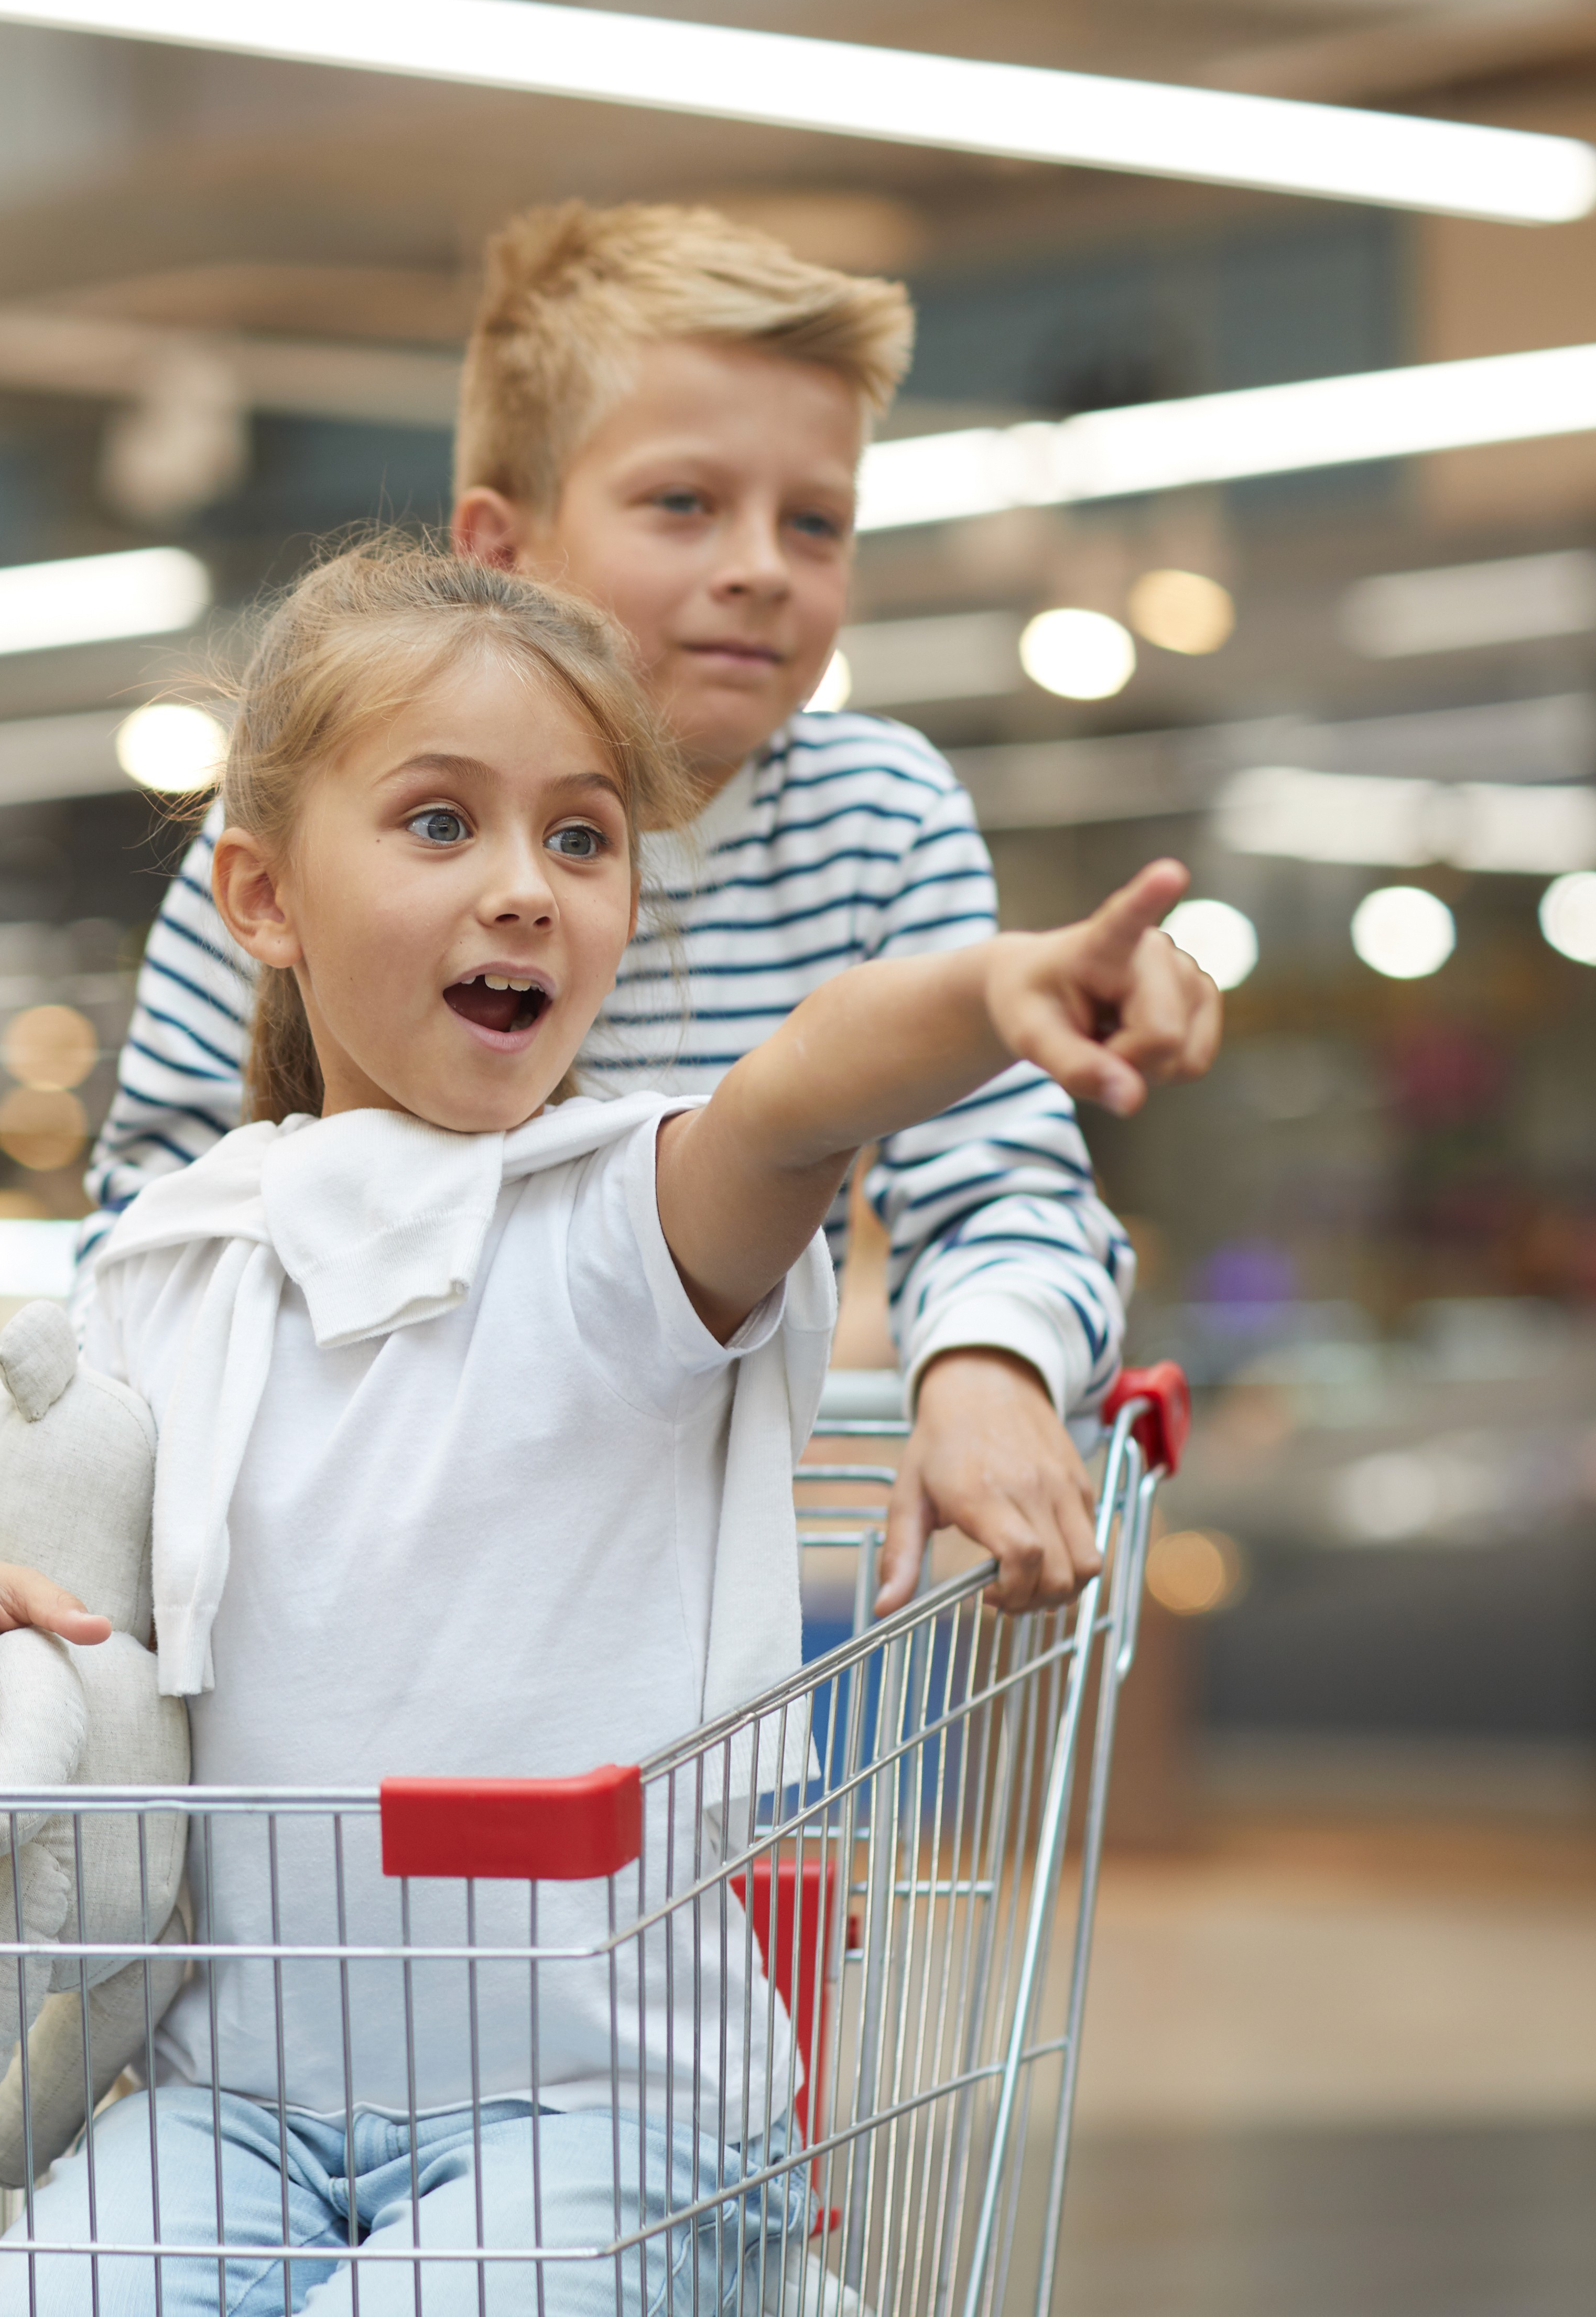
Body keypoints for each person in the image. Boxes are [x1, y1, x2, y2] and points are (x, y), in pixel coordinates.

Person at [0, 539, 1209, 2311]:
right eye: (442, 824)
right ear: (262, 900)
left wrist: (988, 996)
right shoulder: (170, 1268)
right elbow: (52, 1564)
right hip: (236, 2107)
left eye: (582, 839)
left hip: (618, 2122)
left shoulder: (622, 1229)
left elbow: (808, 1083)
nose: (526, 888)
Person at [81, 201, 1222, 1625]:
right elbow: (154, 1223)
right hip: (344, 1563)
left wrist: (985, 1372)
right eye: (684, 504)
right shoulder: (316, 838)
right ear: (506, 549)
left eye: (816, 522)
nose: (759, 563)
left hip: (679, 1580)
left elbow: (991, 1179)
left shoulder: (876, 815)